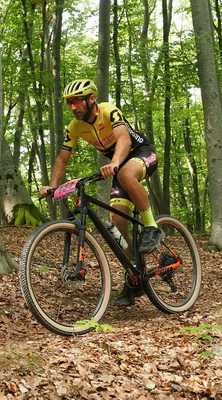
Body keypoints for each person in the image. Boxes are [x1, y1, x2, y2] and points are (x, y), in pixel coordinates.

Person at [40, 79, 164, 306]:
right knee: (117, 222)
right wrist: (52, 186)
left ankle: (152, 227)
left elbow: (124, 138)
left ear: (91, 99)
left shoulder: (108, 111)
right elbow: (62, 158)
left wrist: (114, 162)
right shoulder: (75, 127)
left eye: (76, 101)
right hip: (119, 167)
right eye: (69, 103)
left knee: (126, 173)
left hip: (141, 153)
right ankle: (133, 275)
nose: (72, 107)